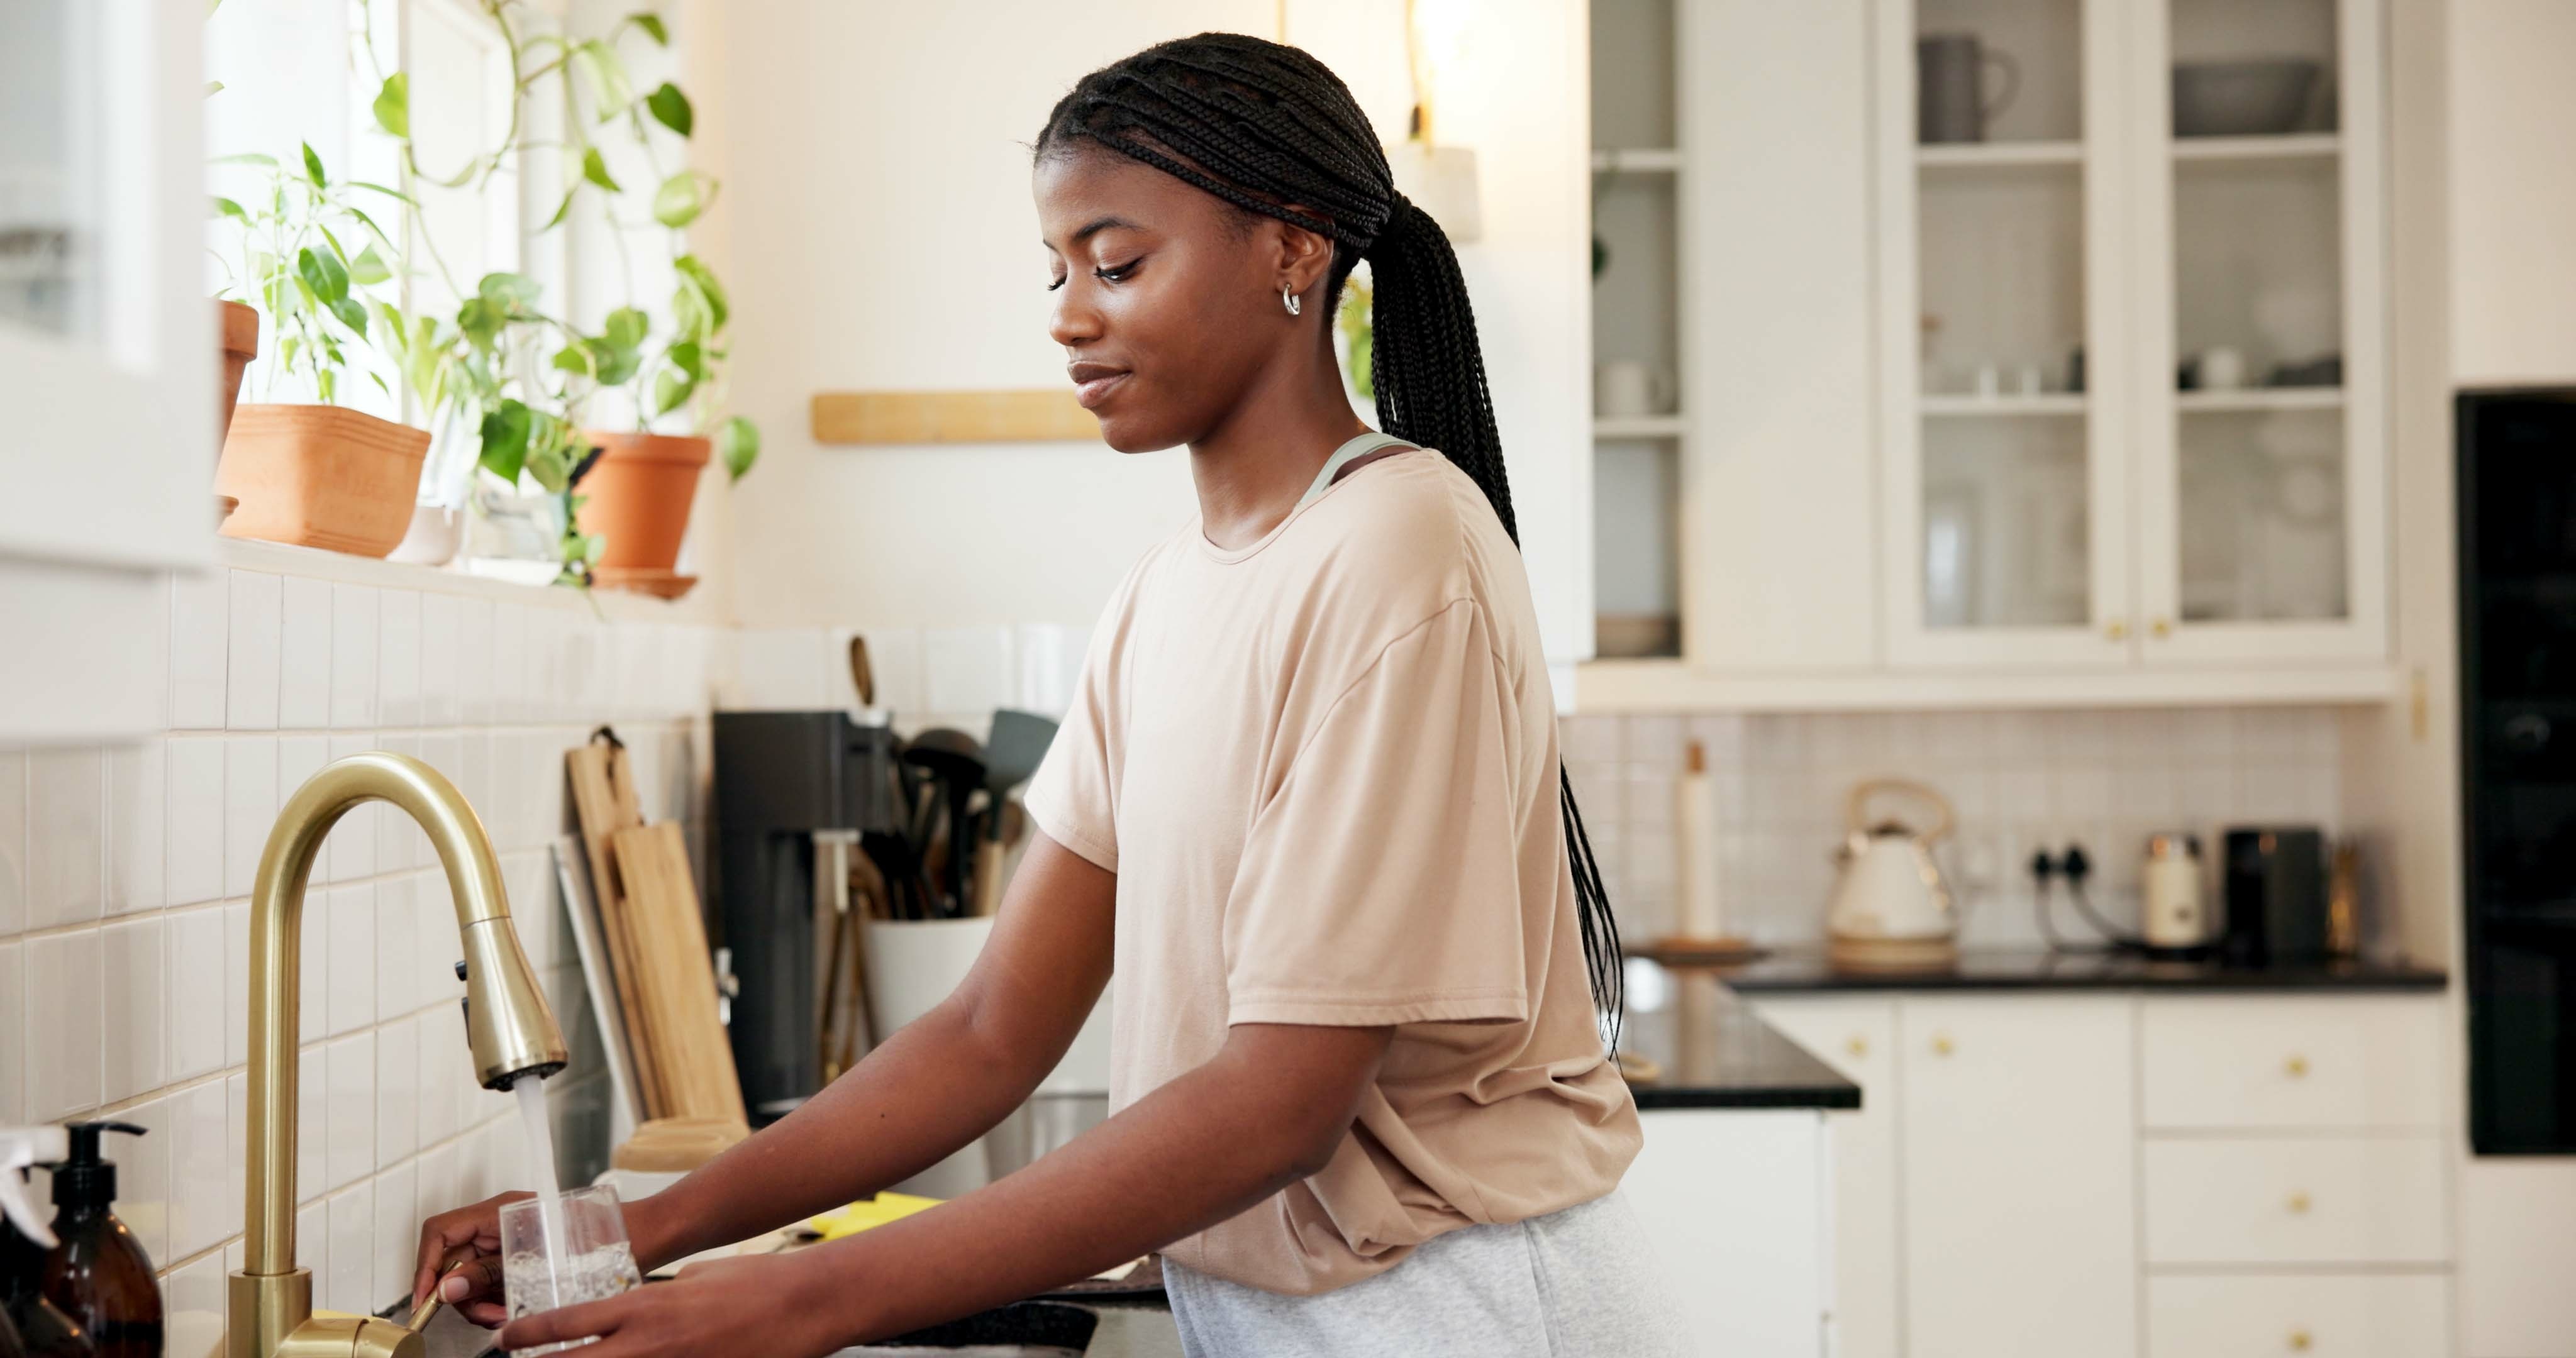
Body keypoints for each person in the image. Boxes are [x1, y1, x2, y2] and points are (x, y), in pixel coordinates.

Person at [416, 33, 1685, 1357]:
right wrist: (635, 1227)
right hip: (1276, 1306)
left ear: (1292, 250)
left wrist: (798, 1299)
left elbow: (1277, 1105)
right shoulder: (1163, 598)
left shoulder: (1398, 547)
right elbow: (984, 1029)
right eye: (1058, 268)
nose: (1069, 312)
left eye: (1118, 261)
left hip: (1453, 1308)